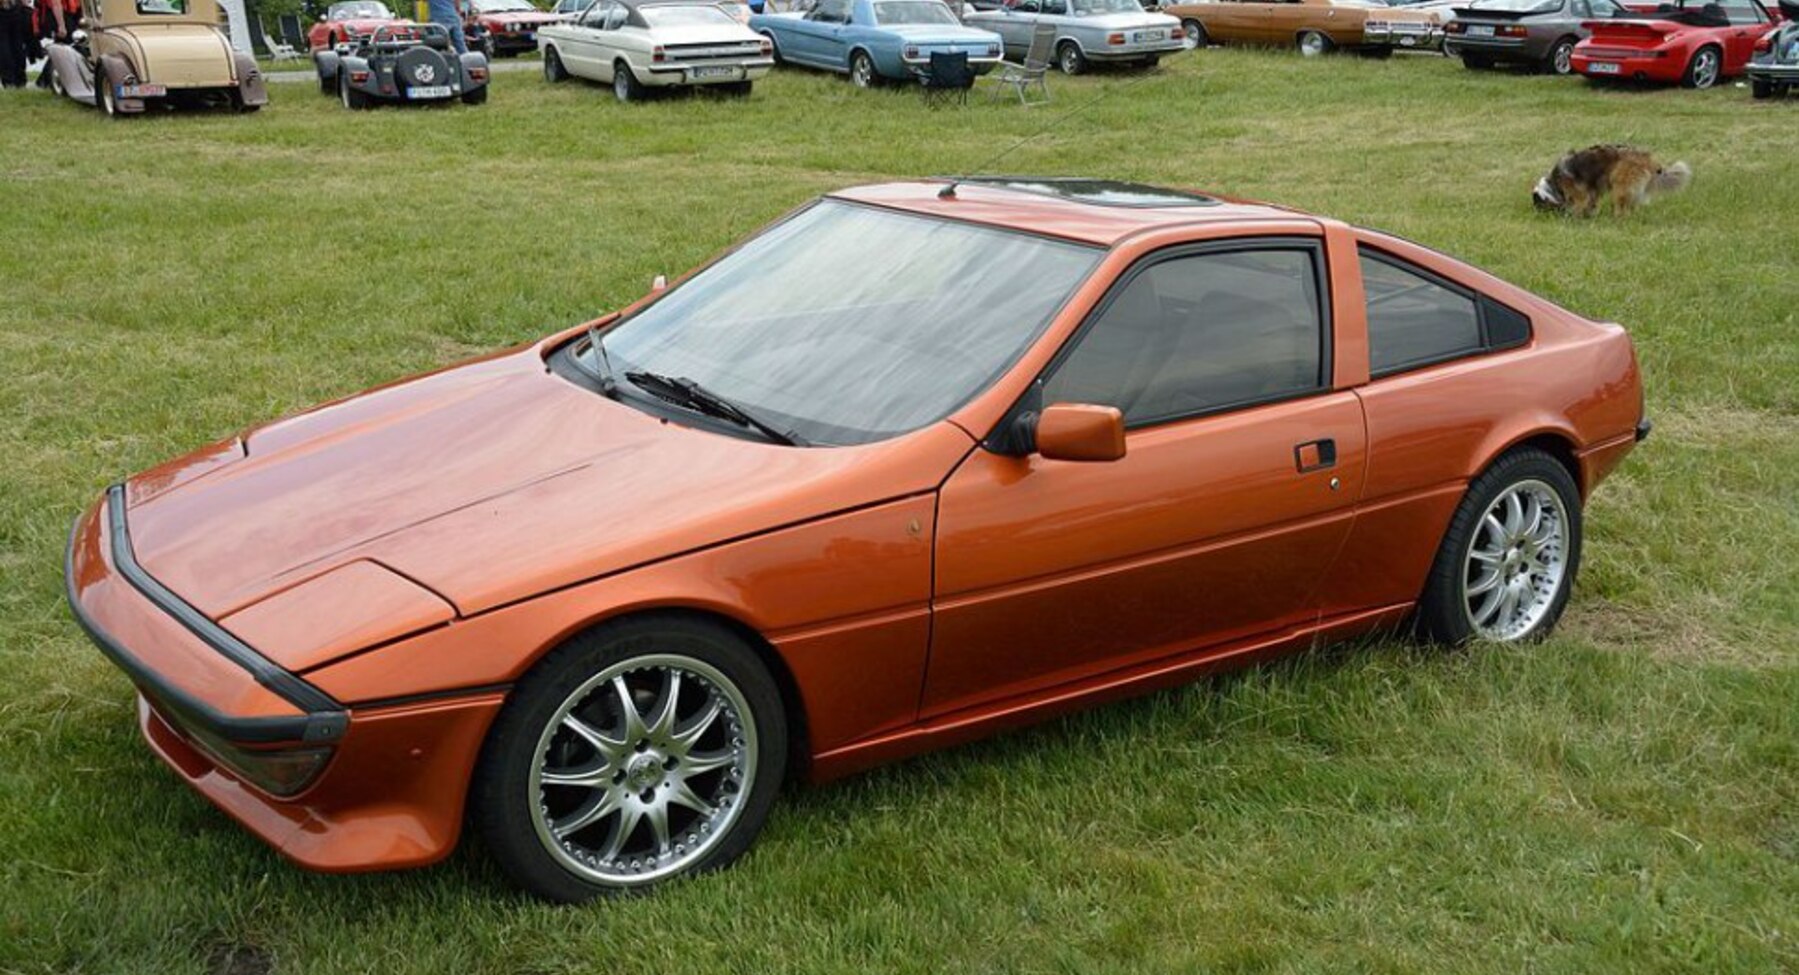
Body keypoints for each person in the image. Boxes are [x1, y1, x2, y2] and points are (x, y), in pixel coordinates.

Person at [0, 0, 34, 88]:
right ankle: (19, 79)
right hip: (15, 9)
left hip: (8, 9)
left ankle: (9, 80)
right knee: (17, 46)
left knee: (5, 47)